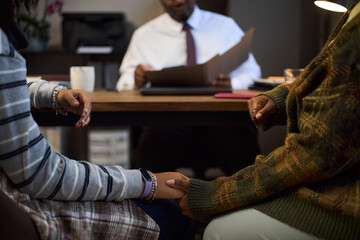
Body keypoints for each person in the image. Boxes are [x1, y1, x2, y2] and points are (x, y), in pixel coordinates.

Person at [0, 0, 194, 239]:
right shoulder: (2, 49)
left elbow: (10, 85)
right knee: (172, 214)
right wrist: (146, 182)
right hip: (17, 204)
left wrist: (54, 93)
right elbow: (43, 176)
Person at [167, 1, 360, 239]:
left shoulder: (225, 25)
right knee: (156, 141)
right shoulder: (353, 14)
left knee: (220, 226)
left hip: (344, 196)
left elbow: (319, 152)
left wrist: (216, 195)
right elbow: (337, 90)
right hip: (173, 122)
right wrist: (284, 96)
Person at [116, 0, 262, 178]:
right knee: (152, 144)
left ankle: (246, 201)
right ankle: (157, 204)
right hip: (169, 121)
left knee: (241, 142)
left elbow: (253, 72)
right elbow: (123, 83)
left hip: (219, 120)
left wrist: (233, 83)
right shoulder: (144, 35)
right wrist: (136, 79)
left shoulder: (225, 26)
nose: (178, 1)